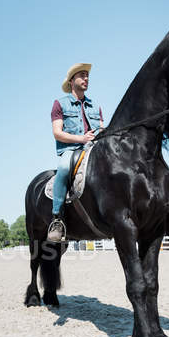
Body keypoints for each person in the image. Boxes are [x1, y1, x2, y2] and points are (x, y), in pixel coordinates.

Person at [48, 63, 103, 242]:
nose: (86, 78)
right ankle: (57, 219)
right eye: (81, 75)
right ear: (72, 81)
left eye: (87, 75)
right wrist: (81, 139)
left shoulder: (95, 105)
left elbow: (101, 129)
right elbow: (57, 133)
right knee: (64, 168)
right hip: (71, 149)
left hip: (94, 148)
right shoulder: (59, 104)